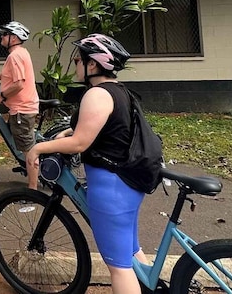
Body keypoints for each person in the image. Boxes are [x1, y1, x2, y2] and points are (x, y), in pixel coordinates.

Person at [24, 33, 147, 294]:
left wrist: (38, 148)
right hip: (130, 183)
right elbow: (112, 129)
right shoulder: (121, 92)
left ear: (93, 65)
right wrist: (69, 132)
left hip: (110, 188)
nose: (76, 65)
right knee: (131, 250)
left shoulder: (97, 94)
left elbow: (80, 143)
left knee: (118, 266)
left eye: (78, 60)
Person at [0, 21, 40, 166]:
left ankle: (32, 187)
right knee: (22, 144)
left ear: (13, 38)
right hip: (22, 108)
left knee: (29, 154)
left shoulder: (15, 56)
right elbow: (8, 74)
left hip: (22, 110)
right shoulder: (20, 53)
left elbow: (19, 83)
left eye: (5, 34)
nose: (2, 36)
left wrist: (1, 96)